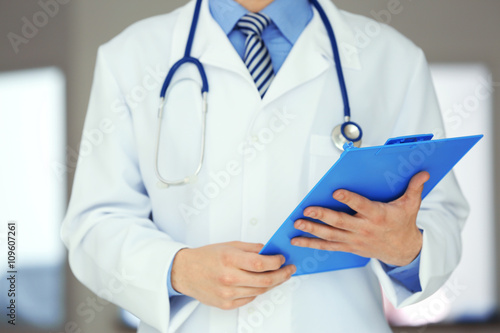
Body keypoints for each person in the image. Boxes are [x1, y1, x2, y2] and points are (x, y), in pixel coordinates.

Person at [61, 0, 469, 332]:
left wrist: (408, 249)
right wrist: (178, 270)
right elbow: (95, 222)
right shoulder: (130, 56)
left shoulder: (391, 58)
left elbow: (440, 215)